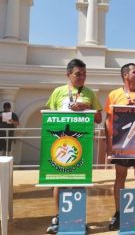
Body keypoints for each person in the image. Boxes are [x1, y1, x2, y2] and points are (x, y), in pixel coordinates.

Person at [45, 58, 102, 234]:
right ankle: (59, 217)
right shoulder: (58, 92)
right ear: (68, 74)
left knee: (79, 181)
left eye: (84, 74)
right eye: (78, 74)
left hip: (81, 144)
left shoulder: (90, 93)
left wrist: (87, 106)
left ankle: (77, 218)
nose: (82, 77)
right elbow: (49, 116)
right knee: (59, 181)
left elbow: (99, 118)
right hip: (60, 144)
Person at [105, 63, 135, 231]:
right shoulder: (114, 95)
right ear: (125, 75)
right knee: (120, 176)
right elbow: (107, 119)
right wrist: (108, 143)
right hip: (121, 143)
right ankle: (119, 213)